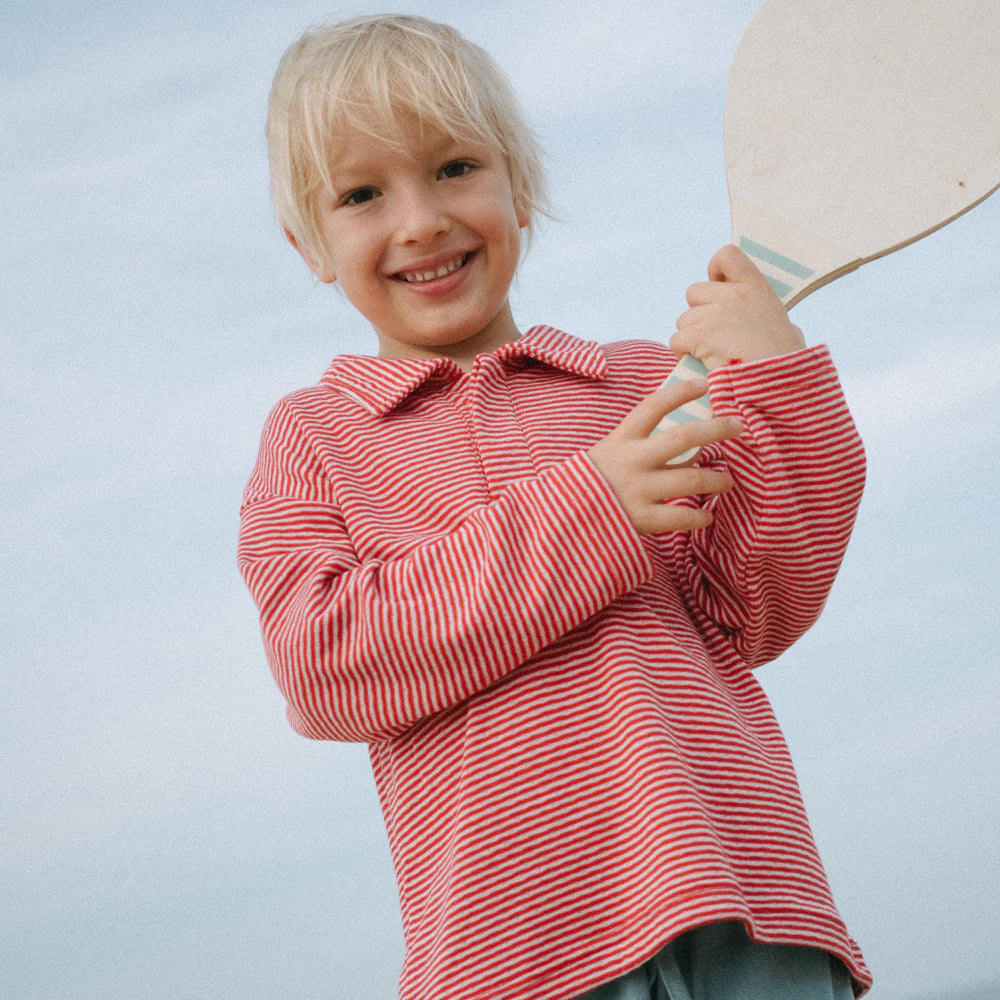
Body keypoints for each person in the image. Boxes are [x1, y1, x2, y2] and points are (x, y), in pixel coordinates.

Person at [238, 14, 871, 1000]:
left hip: (748, 906)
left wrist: (780, 381)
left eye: (454, 169)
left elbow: (763, 605)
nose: (419, 221)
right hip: (515, 958)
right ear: (308, 242)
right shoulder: (314, 436)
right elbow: (324, 664)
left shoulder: (645, 385)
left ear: (519, 186)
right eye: (362, 194)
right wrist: (593, 511)